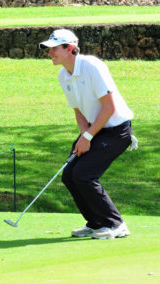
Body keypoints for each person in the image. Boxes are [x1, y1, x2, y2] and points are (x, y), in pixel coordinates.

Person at [40, 29, 137, 240]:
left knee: (84, 175)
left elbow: (109, 108)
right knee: (69, 176)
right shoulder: (62, 75)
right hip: (95, 129)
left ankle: (116, 224)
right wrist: (84, 135)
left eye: (54, 49)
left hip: (116, 131)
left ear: (70, 48)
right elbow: (79, 110)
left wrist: (88, 137)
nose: (50, 53)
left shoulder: (92, 66)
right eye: (49, 50)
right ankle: (96, 223)